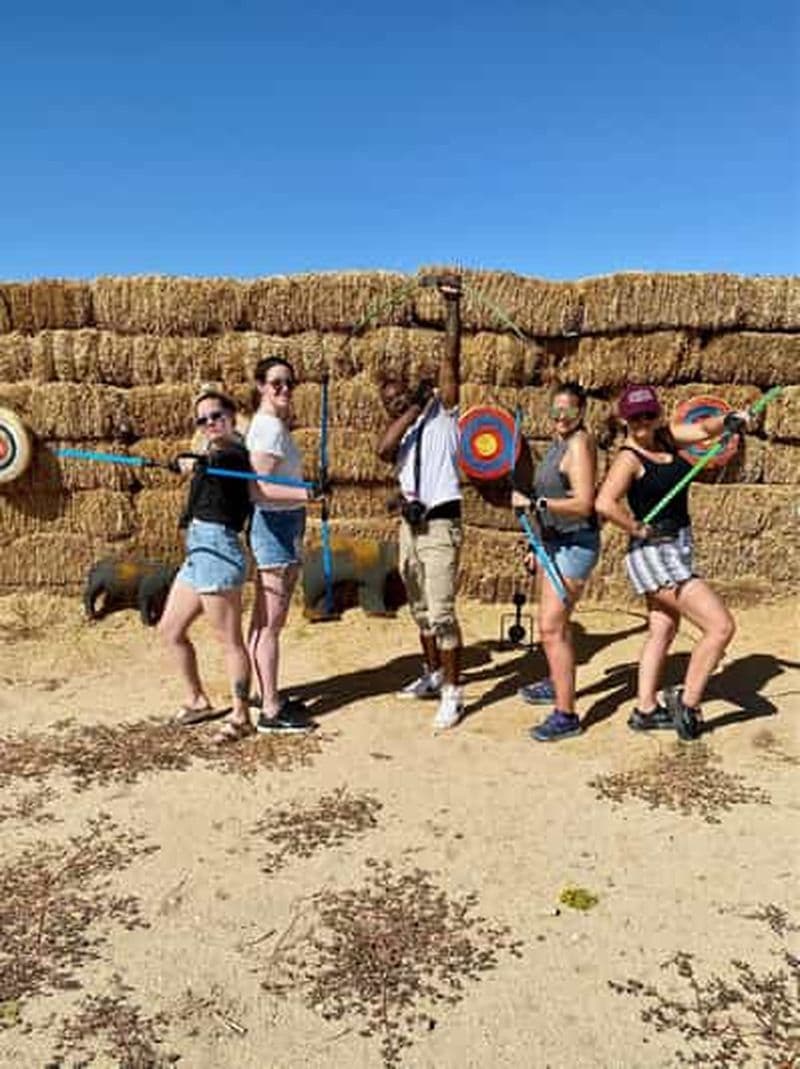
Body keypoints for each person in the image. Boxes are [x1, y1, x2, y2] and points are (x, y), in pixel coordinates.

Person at [595, 383, 751, 739]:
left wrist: (730, 420)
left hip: (678, 544)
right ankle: (689, 703)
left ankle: (645, 708)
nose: (643, 423)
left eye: (649, 414)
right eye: (636, 417)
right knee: (720, 626)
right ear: (625, 419)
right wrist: (638, 528)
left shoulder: (667, 437)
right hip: (654, 553)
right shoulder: (628, 458)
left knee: (663, 629)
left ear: (658, 414)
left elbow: (703, 430)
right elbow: (604, 503)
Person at [376, 275, 464, 731]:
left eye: (398, 396)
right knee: (420, 609)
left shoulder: (444, 412)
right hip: (409, 527)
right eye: (388, 402)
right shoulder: (404, 430)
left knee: (443, 610)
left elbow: (451, 358)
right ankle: (431, 674)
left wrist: (451, 308)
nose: (394, 404)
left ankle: (453, 691)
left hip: (440, 523)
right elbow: (382, 450)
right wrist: (411, 407)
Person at [158, 387, 254, 744]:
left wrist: (197, 459)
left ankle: (241, 714)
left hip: (219, 547)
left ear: (231, 415)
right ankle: (197, 700)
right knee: (170, 630)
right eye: (203, 420)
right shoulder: (207, 451)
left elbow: (224, 453)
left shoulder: (233, 450)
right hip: (198, 548)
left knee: (229, 640)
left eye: (216, 415)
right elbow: (205, 457)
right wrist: (187, 460)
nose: (210, 423)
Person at [511, 382, 600, 741]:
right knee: (554, 625)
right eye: (556, 410)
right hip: (552, 543)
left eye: (569, 410)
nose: (561, 417)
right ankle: (556, 681)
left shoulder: (579, 445)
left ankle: (566, 716)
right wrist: (537, 541)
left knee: (551, 627)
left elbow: (583, 503)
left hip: (574, 545)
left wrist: (536, 506)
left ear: (582, 412)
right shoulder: (558, 442)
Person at [246, 356, 324, 733]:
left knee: (264, 620)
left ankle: (265, 691)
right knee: (270, 625)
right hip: (274, 525)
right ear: (260, 385)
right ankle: (271, 711)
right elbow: (257, 488)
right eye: (276, 382)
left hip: (282, 523)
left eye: (289, 383)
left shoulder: (272, 426)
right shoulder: (268, 430)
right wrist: (309, 493)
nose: (284, 389)